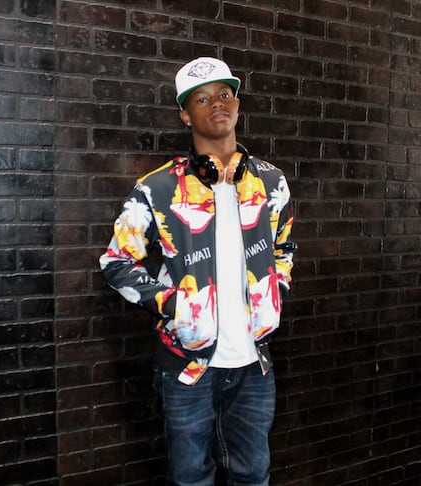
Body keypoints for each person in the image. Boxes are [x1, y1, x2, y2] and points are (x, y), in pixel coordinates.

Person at [99, 57, 296, 486]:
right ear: (185, 114)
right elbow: (117, 263)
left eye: (224, 94)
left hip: (254, 367)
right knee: (191, 479)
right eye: (202, 99)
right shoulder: (158, 188)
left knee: (254, 475)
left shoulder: (271, 183)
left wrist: (274, 291)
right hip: (188, 366)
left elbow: (284, 248)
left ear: (237, 103)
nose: (217, 104)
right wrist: (173, 305)